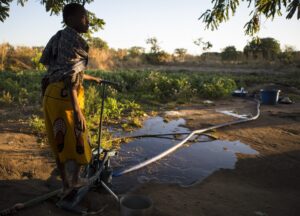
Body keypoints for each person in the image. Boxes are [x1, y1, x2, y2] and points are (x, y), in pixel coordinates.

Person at [40, 3, 101, 192]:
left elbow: (59, 69)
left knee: (58, 140)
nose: (87, 21)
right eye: (83, 17)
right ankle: (75, 180)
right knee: (80, 138)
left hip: (51, 95)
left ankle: (66, 183)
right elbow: (70, 77)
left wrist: (93, 78)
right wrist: (77, 111)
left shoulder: (58, 37)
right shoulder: (76, 41)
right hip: (67, 99)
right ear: (70, 20)